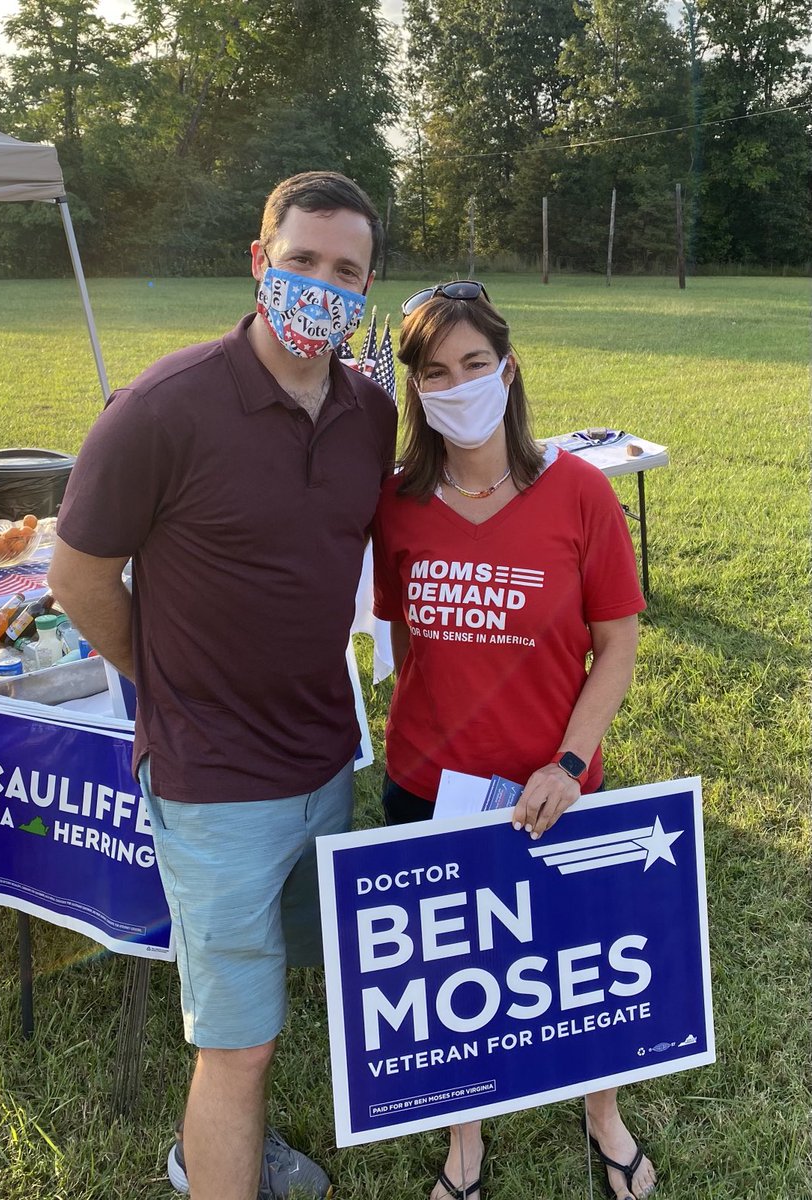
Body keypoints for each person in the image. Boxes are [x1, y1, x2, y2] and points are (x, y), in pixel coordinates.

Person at [48, 171, 397, 1200]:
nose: (320, 288)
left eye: (346, 272)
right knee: (236, 1044)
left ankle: (224, 1149)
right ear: (259, 262)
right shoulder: (161, 408)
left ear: (367, 290)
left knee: (277, 998)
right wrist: (166, 683)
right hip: (215, 784)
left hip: (324, 760)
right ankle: (218, 1172)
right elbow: (76, 577)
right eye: (301, 262)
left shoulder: (370, 414)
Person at [371, 281, 656, 1200]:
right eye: (434, 372)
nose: (456, 386)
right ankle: (466, 1140)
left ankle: (603, 1115)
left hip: (557, 785)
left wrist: (570, 761)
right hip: (425, 783)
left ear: (508, 369)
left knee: (577, 963)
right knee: (450, 974)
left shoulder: (576, 492)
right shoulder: (397, 505)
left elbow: (616, 642)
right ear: (415, 389)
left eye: (473, 365)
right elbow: (407, 638)